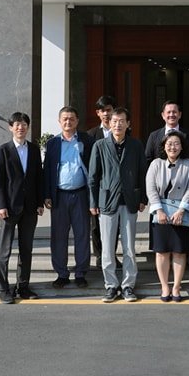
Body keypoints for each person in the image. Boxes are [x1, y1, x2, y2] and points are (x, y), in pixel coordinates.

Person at [88, 107, 147, 303]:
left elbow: (142, 173)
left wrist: (143, 198)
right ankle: (111, 285)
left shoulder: (136, 145)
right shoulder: (99, 145)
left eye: (122, 121)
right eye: (114, 121)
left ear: (128, 124)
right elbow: (93, 177)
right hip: (107, 202)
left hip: (130, 201)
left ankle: (128, 285)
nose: (118, 124)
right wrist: (93, 202)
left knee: (129, 247)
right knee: (107, 248)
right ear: (109, 123)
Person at [0, 112, 45, 304]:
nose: (20, 128)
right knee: (5, 250)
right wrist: (0, 205)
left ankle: (23, 286)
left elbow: (38, 177)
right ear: (10, 127)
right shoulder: (3, 151)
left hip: (30, 208)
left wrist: (39, 202)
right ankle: (2, 289)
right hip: (9, 208)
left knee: (26, 249)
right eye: (17, 124)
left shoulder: (34, 149)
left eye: (24, 124)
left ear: (28, 127)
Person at [43, 107, 94, 289]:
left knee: (82, 235)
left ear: (77, 121)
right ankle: (62, 273)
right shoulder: (52, 143)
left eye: (71, 118)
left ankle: (81, 273)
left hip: (80, 194)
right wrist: (47, 194)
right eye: (64, 119)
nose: (68, 122)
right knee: (59, 236)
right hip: (59, 196)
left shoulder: (86, 140)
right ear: (59, 121)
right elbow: (47, 170)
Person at [146, 131, 189, 302]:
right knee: (162, 252)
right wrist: (159, 210)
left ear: (182, 147)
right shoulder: (156, 164)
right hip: (160, 213)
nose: (172, 147)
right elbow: (151, 189)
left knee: (179, 252)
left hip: (180, 214)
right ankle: (164, 286)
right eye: (169, 143)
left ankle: (176, 287)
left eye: (176, 143)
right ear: (163, 146)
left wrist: (181, 210)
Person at [86, 95, 116, 258]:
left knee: (116, 224)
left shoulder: (122, 132)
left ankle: (111, 255)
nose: (106, 114)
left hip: (116, 186)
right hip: (98, 186)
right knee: (95, 224)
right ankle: (99, 256)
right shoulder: (90, 135)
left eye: (109, 110)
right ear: (98, 113)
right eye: (102, 110)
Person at [145, 100, 189, 165]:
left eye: (174, 112)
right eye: (168, 112)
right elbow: (148, 159)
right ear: (163, 115)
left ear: (180, 115)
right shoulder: (154, 136)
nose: (171, 115)